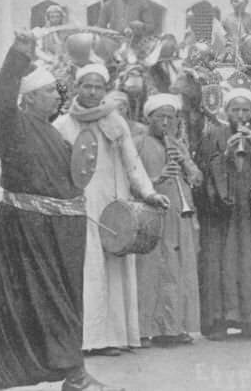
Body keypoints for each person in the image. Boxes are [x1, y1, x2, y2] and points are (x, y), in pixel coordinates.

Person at [0, 32, 122, 391]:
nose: (58, 97)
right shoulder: (14, 122)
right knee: (10, 301)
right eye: (51, 92)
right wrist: (19, 53)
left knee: (48, 300)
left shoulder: (53, 133)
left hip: (51, 231)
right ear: (31, 98)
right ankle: (56, 375)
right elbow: (3, 93)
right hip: (22, 228)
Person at [53, 64, 170, 356]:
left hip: (114, 208)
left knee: (114, 270)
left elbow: (133, 163)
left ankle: (114, 337)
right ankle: (86, 340)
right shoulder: (62, 126)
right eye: (86, 86)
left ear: (105, 90)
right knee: (85, 270)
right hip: (79, 207)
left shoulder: (116, 122)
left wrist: (148, 193)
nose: (92, 91)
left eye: (98, 87)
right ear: (77, 87)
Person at [195, 87, 251, 341]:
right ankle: (220, 321)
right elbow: (202, 173)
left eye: (246, 110)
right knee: (221, 265)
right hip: (223, 215)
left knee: (250, 264)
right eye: (236, 110)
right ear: (226, 111)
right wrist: (224, 157)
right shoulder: (213, 135)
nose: (241, 115)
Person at [133, 94, 202, 347]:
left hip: (178, 215)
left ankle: (172, 328)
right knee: (151, 271)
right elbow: (131, 181)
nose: (165, 122)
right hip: (151, 215)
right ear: (147, 118)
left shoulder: (177, 144)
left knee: (177, 269)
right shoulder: (138, 143)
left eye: (170, 117)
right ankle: (144, 330)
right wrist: (157, 178)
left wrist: (186, 164)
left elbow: (197, 178)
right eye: (159, 117)